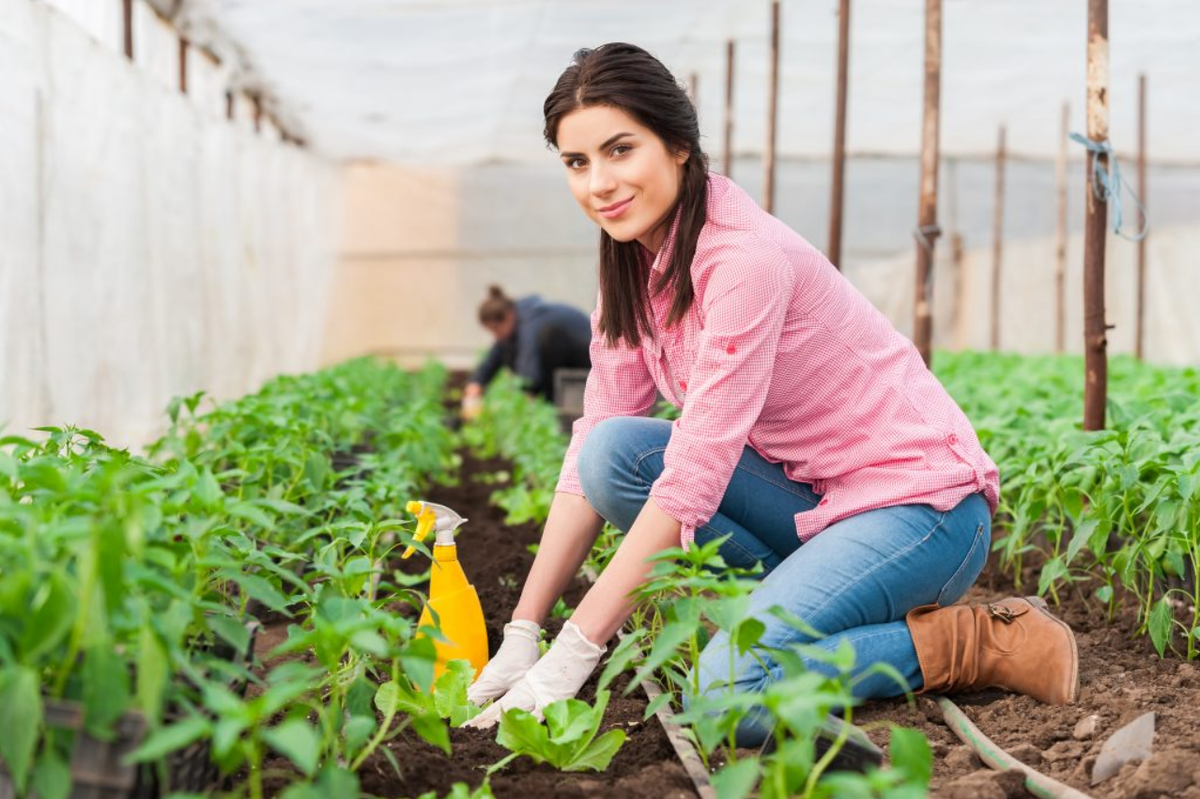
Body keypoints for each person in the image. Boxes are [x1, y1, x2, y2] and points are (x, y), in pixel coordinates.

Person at [463, 43, 1078, 740]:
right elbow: (591, 451)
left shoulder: (743, 261)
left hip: (919, 510)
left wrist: (573, 653)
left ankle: (976, 641)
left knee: (727, 691)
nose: (599, 182)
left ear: (679, 147)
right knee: (613, 453)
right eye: (577, 163)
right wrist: (522, 631)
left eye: (620, 150)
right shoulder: (629, 271)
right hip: (812, 502)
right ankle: (803, 607)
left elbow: (694, 475)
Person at [462, 286, 591, 415]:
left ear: (509, 315)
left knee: (549, 337)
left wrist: (526, 397)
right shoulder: (517, 320)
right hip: (566, 368)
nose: (496, 336)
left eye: (496, 329)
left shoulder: (530, 323)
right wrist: (476, 383)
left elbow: (529, 373)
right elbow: (496, 354)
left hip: (585, 366)